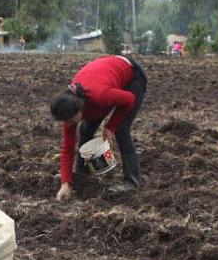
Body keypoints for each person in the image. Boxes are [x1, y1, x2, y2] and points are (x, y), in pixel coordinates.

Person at [49, 54, 147, 200]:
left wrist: (111, 126)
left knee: (121, 129)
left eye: (69, 121)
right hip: (106, 79)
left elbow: (129, 99)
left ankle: (132, 181)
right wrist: (65, 183)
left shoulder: (100, 96)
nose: (68, 124)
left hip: (132, 76)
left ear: (80, 110)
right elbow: (67, 148)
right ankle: (82, 173)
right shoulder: (70, 107)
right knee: (85, 129)